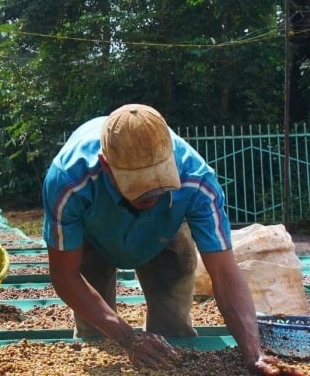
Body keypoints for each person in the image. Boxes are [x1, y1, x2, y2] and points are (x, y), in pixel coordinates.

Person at [42, 103, 303, 375]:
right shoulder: (68, 181)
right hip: (91, 237)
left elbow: (224, 273)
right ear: (106, 166)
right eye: (139, 185)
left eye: (158, 182)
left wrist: (254, 354)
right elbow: (65, 275)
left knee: (173, 328)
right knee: (95, 335)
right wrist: (127, 336)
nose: (150, 193)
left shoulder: (197, 180)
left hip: (164, 232)